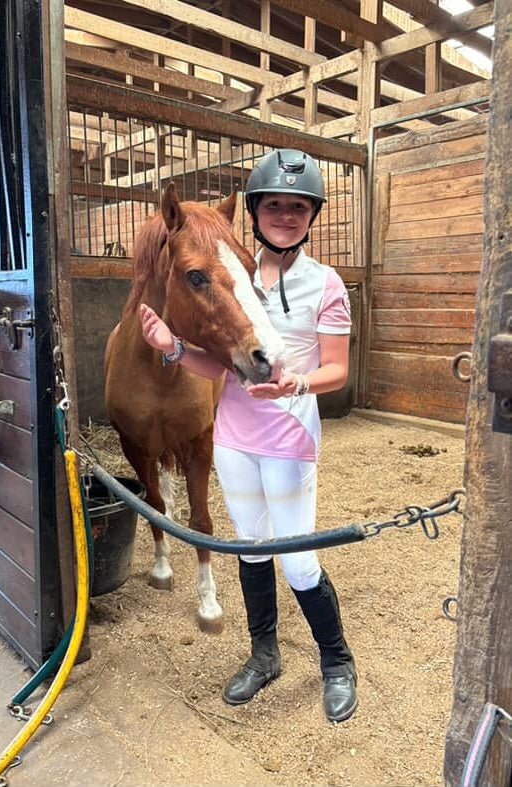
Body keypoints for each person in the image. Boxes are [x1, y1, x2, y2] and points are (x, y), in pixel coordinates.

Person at [140, 149, 357, 723]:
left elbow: (337, 370)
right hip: (234, 439)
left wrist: (295, 386)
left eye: (298, 207)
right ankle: (265, 656)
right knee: (251, 549)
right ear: (256, 212)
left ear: (311, 216)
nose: (286, 216)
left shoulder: (324, 283)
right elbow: (222, 367)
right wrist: (174, 349)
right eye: (275, 206)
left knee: (299, 561)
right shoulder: (233, 272)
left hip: (288, 437)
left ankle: (336, 662)